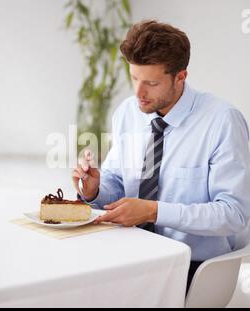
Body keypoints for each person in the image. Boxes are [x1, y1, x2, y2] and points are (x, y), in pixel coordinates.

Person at [71, 20, 250, 291]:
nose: (138, 93)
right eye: (134, 79)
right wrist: (95, 190)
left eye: (152, 83)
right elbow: (118, 185)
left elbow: (233, 214)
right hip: (130, 255)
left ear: (181, 77)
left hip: (192, 267)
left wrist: (154, 211)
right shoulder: (127, 112)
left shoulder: (222, 121)